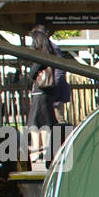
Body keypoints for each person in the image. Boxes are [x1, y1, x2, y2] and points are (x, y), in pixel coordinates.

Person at [26, 25, 64, 168]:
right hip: (48, 92)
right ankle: (47, 150)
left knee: (34, 122)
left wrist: (31, 77)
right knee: (46, 122)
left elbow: (32, 73)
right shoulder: (50, 52)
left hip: (39, 92)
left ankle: (37, 151)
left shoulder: (39, 56)